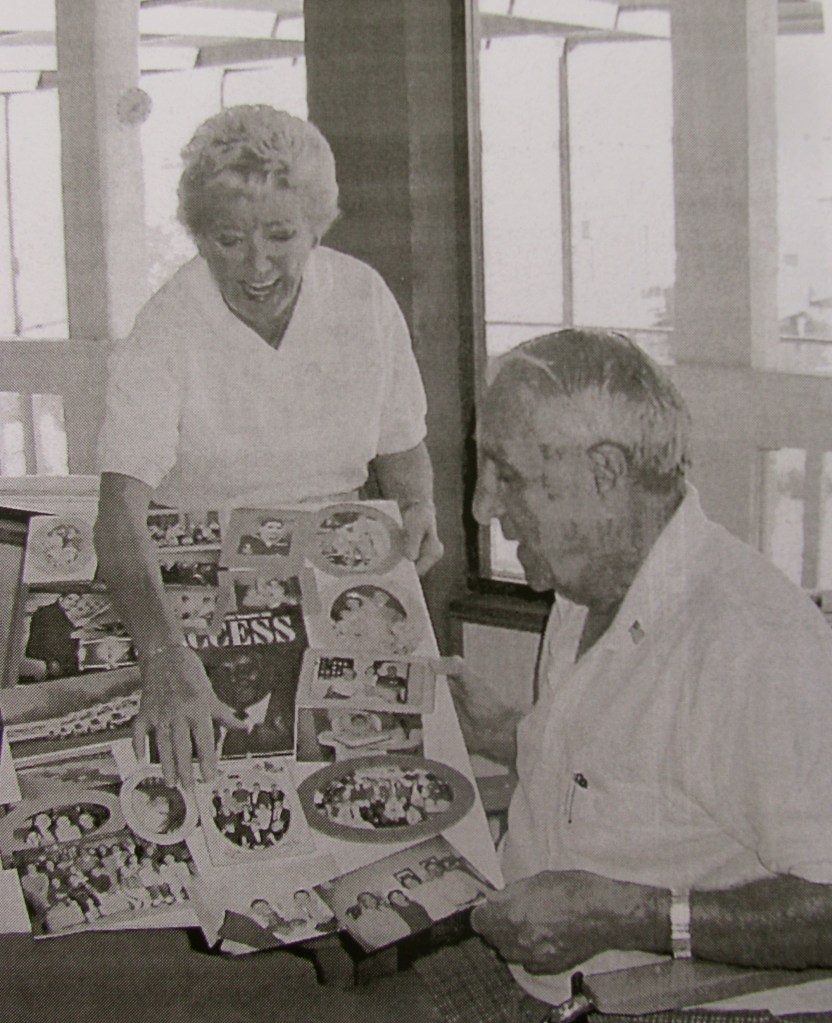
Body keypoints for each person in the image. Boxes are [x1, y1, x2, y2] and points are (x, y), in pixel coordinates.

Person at [443, 328, 832, 1016]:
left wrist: (626, 916)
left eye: (507, 473)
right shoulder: (581, 583)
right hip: (510, 963)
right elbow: (637, 774)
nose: (482, 506)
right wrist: (506, 732)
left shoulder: (753, 643)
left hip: (636, 1002)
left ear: (606, 473)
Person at [94, 105, 443, 790]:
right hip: (191, 594)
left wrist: (419, 502)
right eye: (228, 239)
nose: (257, 265)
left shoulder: (363, 298)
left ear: (317, 223)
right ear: (198, 236)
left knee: (367, 781)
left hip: (337, 576)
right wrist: (163, 653)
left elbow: (401, 442)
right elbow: (117, 516)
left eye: (282, 235)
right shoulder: (166, 326)